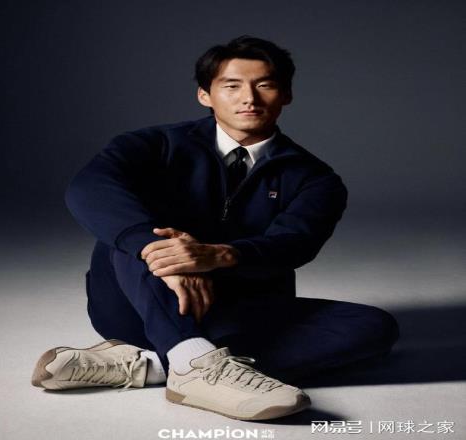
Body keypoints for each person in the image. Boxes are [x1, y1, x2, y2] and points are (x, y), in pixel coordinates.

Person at [31, 36, 399, 420]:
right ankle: (193, 362)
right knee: (134, 234)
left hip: (233, 313)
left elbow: (295, 243)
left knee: (374, 327)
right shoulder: (154, 145)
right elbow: (88, 187)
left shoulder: (315, 178)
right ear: (205, 95)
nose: (249, 98)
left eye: (265, 85)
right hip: (137, 307)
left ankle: (157, 364)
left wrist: (217, 256)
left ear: (286, 94)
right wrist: (161, 252)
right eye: (232, 86)